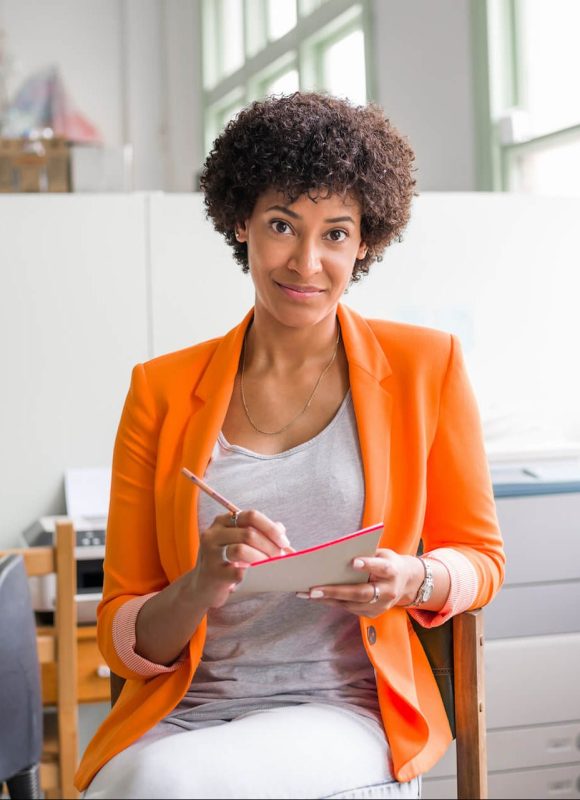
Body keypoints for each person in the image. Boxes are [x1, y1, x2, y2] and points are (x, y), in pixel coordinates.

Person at [77, 92, 505, 799]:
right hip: (186, 714)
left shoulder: (428, 367)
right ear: (241, 222)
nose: (306, 262)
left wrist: (413, 579)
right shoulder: (159, 390)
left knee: (158, 787)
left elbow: (482, 561)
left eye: (335, 233)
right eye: (282, 225)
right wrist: (200, 584)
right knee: (130, 782)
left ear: (366, 240)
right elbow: (125, 631)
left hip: (343, 710)